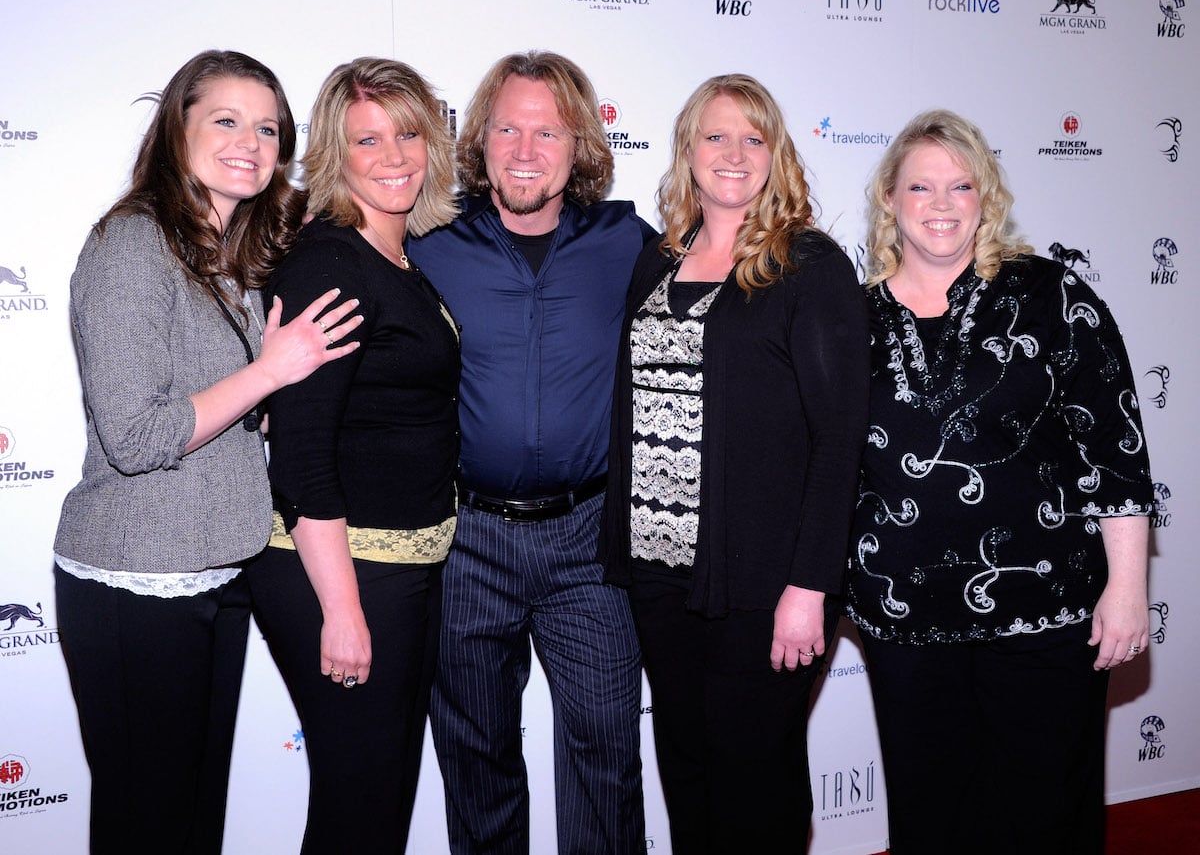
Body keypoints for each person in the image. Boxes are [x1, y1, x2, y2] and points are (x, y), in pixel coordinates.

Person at [52, 50, 361, 854]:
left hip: (220, 573)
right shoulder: (132, 245)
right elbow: (135, 436)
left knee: (193, 825)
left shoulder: (232, 255)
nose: (249, 143)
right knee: (148, 826)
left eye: (268, 129)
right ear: (176, 127)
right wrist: (269, 374)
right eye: (226, 120)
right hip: (136, 580)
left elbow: (217, 404)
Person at [846, 109, 1154, 855]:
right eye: (921, 186)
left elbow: (1115, 448)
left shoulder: (1051, 295)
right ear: (889, 197)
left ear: (986, 196)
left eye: (961, 185)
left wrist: (1127, 585)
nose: (941, 204)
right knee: (932, 819)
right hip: (905, 621)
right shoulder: (850, 318)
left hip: (1044, 612)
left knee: (1047, 815)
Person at [599, 74, 869, 853]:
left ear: (776, 155)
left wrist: (810, 586)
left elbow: (839, 438)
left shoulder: (807, 266)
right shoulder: (657, 261)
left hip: (764, 585)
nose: (734, 152)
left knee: (757, 787)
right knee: (687, 773)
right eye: (716, 135)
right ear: (687, 149)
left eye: (754, 138)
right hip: (660, 575)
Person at [407, 51, 656, 855]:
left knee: (607, 754)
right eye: (508, 129)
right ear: (479, 140)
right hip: (466, 542)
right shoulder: (428, 242)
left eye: (547, 132)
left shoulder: (625, 242)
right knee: (476, 758)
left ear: (579, 145)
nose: (524, 150)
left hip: (591, 541)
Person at [245, 58, 460, 854]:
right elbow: (301, 456)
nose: (394, 156)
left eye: (407, 134)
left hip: (398, 571)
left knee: (377, 802)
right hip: (342, 572)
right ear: (336, 155)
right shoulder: (331, 264)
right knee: (360, 809)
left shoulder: (393, 257)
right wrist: (341, 610)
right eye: (368, 140)